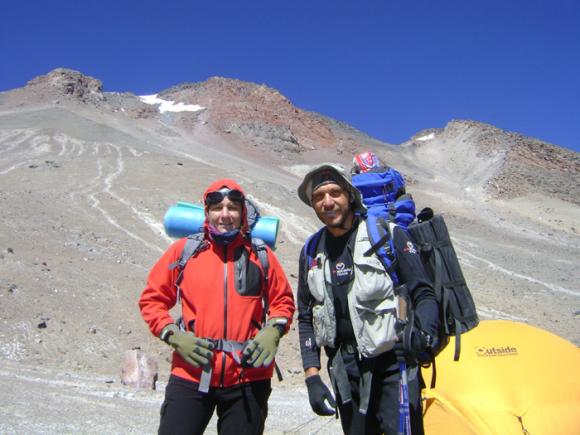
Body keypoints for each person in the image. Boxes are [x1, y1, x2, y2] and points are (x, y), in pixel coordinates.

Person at [139, 178, 295, 435]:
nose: (225, 214)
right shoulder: (185, 251)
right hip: (190, 372)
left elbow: (283, 302)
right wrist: (173, 335)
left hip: (249, 377)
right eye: (217, 208)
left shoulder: (261, 254)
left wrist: (274, 331)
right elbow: (152, 299)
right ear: (207, 212)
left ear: (242, 213)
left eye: (232, 207)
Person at [296, 163, 440, 435]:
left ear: (350, 195)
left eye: (335, 193)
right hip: (345, 371)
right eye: (319, 197)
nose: (328, 202)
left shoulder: (387, 234)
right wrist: (312, 376)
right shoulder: (311, 252)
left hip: (393, 367)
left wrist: (422, 335)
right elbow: (305, 316)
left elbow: (423, 292)